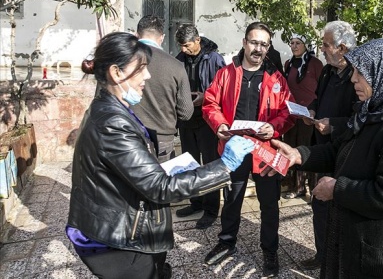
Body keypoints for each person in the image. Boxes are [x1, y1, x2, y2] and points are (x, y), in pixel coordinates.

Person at [66, 32, 255, 279]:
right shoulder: (112, 122)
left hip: (123, 227)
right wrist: (224, 166)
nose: (148, 75)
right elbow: (160, 187)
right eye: (141, 68)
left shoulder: (108, 106)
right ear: (116, 72)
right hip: (122, 242)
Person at [267, 38, 383, 278]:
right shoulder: (373, 110)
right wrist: (299, 155)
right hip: (364, 242)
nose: (353, 80)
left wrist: (337, 189)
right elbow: (341, 149)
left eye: (361, 74)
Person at [202, 21, 295, 278]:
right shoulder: (226, 74)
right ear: (244, 42)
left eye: (264, 44)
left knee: (269, 204)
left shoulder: (276, 78)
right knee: (232, 199)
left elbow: (288, 111)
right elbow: (210, 103)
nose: (258, 48)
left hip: (264, 151)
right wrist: (219, 124)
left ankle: (270, 251)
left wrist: (274, 128)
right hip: (234, 148)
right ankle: (227, 241)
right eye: (254, 42)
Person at [298, 21, 358, 270]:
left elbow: (361, 118)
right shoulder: (327, 71)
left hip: (345, 155)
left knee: (340, 211)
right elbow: (319, 98)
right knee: (319, 205)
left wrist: (333, 124)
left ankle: (340, 262)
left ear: (342, 48)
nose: (321, 49)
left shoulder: (358, 76)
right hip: (322, 151)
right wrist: (311, 109)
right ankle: (322, 256)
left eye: (325, 44)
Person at [174, 24, 226, 229]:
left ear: (198, 40)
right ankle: (195, 202)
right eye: (181, 46)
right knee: (190, 164)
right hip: (187, 120)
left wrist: (205, 97)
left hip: (208, 122)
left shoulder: (214, 59)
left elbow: (224, 88)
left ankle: (211, 209)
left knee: (210, 165)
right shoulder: (179, 60)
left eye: (187, 45)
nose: (184, 50)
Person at [130, 15, 193, 162]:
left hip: (127, 137)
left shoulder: (123, 60)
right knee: (161, 184)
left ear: (136, 34)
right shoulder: (176, 65)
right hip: (162, 141)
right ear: (162, 37)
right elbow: (186, 112)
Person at [281, 33, 323, 199]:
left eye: (298, 43)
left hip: (309, 114)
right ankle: (297, 187)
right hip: (293, 115)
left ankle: (313, 188)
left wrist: (314, 109)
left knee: (307, 149)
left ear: (306, 45)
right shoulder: (288, 64)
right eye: (292, 43)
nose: (294, 46)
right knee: (292, 147)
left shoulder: (316, 64)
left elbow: (321, 89)